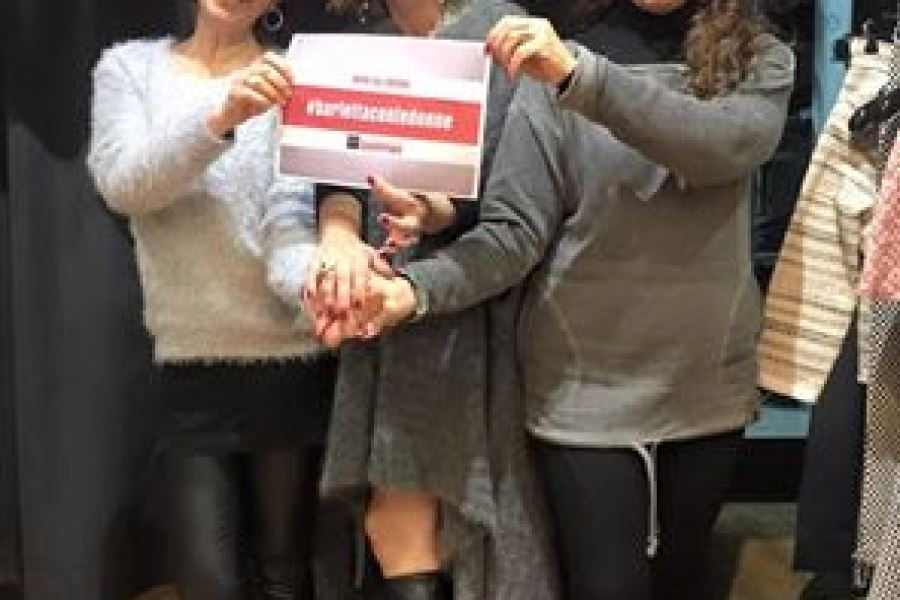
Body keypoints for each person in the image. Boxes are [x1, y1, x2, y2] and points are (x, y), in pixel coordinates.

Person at [341, 1, 795, 598]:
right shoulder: (556, 70)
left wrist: (583, 79)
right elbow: (513, 234)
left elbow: (719, 147)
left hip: (706, 383)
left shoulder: (759, 60)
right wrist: (414, 290)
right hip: (584, 392)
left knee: (684, 578)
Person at [301, 1, 559, 599]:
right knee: (395, 529)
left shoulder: (501, 32)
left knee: (438, 530)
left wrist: (436, 215)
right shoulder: (359, 42)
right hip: (375, 319)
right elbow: (338, 177)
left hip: (469, 317)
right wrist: (338, 236)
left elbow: (515, 214)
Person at [86, 2, 334, 599]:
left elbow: (293, 218)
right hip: (190, 359)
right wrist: (222, 116)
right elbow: (123, 184)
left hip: (291, 358)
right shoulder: (130, 69)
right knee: (208, 582)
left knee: (285, 570)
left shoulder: (295, 75)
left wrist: (324, 289)